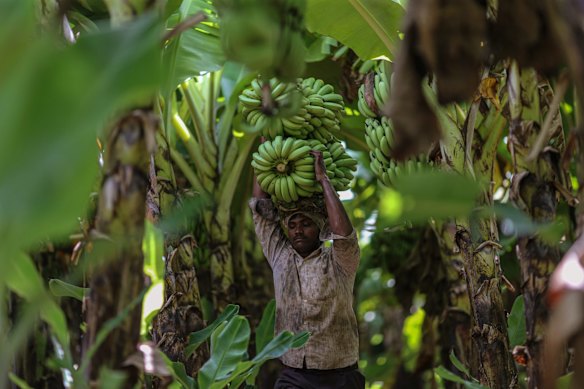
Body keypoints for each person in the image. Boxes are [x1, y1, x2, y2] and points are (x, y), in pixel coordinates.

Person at [249, 147, 365, 389]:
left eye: (306, 224)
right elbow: (260, 209)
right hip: (294, 374)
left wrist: (323, 180)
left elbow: (344, 234)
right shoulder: (280, 256)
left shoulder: (340, 262)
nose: (298, 231)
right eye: (292, 225)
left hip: (339, 375)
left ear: (321, 228)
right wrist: (264, 154)